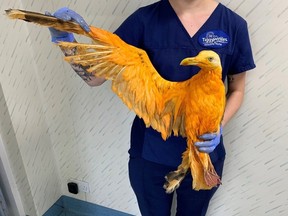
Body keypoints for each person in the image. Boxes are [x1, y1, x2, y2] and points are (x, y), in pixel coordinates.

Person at [47, 0, 256, 215]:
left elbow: (237, 90)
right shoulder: (144, 20)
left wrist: (218, 126)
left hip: (203, 154)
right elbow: (95, 78)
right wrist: (66, 43)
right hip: (150, 153)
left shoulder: (233, 25)